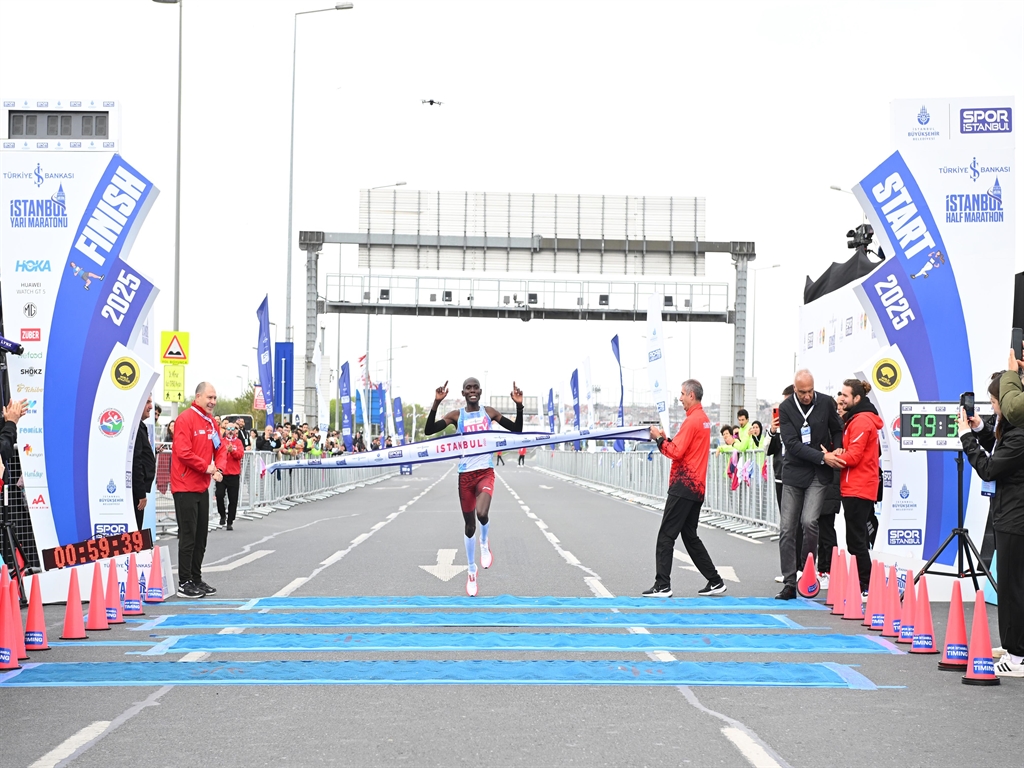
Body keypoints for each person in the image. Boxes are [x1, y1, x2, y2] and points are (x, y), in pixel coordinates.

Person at [425, 378, 524, 597]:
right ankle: (471, 570)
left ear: (480, 391)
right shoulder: (457, 416)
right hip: (465, 477)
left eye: (475, 387)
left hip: (485, 472)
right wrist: (437, 402)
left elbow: (517, 430)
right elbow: (429, 430)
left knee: (482, 513)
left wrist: (519, 405)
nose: (472, 391)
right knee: (469, 526)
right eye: (468, 388)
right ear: (463, 392)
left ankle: (484, 542)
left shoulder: (489, 413)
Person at [959, 373, 1024, 677]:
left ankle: (1017, 656)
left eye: (995, 402)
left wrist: (966, 438)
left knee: (1012, 588)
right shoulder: (1013, 431)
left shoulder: (1019, 435)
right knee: (1012, 587)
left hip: (1015, 518)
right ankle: (1014, 648)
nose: (993, 407)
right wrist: (979, 430)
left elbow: (988, 468)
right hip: (1010, 515)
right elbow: (1000, 451)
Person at [643, 379, 725, 597]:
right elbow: (683, 447)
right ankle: (715, 580)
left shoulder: (692, 421)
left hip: (684, 485)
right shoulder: (704, 419)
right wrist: (665, 439)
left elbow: (675, 452)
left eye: (681, 394)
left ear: (691, 395)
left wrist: (658, 439)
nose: (679, 398)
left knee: (666, 535)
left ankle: (662, 585)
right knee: (689, 536)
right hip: (697, 487)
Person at [776, 369, 845, 600]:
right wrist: (822, 457)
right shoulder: (786, 408)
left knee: (809, 521)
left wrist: (837, 447)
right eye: (802, 392)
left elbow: (837, 428)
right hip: (795, 473)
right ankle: (789, 581)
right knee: (787, 528)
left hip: (818, 474)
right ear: (795, 389)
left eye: (810, 391)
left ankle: (808, 572)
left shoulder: (825, 402)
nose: (807, 396)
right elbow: (792, 444)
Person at [171, 382, 223, 598]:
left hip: (202, 487)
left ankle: (196, 578)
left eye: (215, 398)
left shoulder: (211, 422)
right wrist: (206, 467)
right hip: (184, 487)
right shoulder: (185, 419)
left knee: (201, 537)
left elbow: (220, 448)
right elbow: (182, 452)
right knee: (188, 536)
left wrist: (219, 468)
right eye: (209, 397)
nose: (212, 402)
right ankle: (184, 582)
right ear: (198, 397)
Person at [835, 379, 883, 594]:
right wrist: (839, 452)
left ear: (857, 398)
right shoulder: (855, 419)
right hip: (854, 486)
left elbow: (854, 457)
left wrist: (830, 457)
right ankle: (865, 584)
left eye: (845, 395)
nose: (841, 398)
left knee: (856, 541)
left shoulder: (862, 421)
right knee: (857, 538)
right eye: (841, 394)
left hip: (859, 486)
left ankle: (867, 585)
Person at [132, 395, 157, 531]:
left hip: (138, 490)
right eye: (147, 402)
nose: (151, 407)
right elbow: (136, 461)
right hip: (135, 492)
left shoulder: (140, 426)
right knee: (135, 529)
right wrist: (141, 493)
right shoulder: (135, 427)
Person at [215, 422, 244, 530]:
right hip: (222, 473)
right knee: (219, 495)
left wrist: (232, 452)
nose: (230, 431)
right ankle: (222, 514)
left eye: (233, 429)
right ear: (225, 430)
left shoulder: (238, 442)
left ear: (236, 431)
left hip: (234, 474)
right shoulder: (221, 442)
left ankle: (230, 521)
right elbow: (217, 454)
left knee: (233, 499)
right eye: (228, 429)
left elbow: (240, 455)